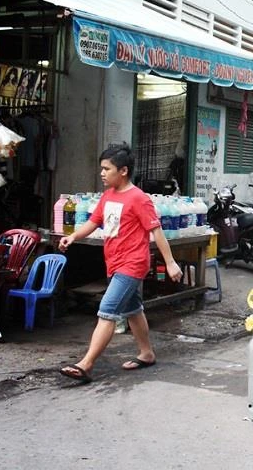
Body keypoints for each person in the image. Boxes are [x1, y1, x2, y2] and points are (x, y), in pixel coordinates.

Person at [57, 143, 182, 384]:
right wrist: (73, 236)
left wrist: (170, 262)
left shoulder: (139, 198)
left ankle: (86, 364)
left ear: (123, 171)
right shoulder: (108, 196)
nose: (102, 173)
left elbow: (156, 232)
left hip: (132, 263)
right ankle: (146, 353)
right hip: (113, 262)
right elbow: (94, 222)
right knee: (133, 309)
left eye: (107, 169)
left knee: (107, 310)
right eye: (101, 168)